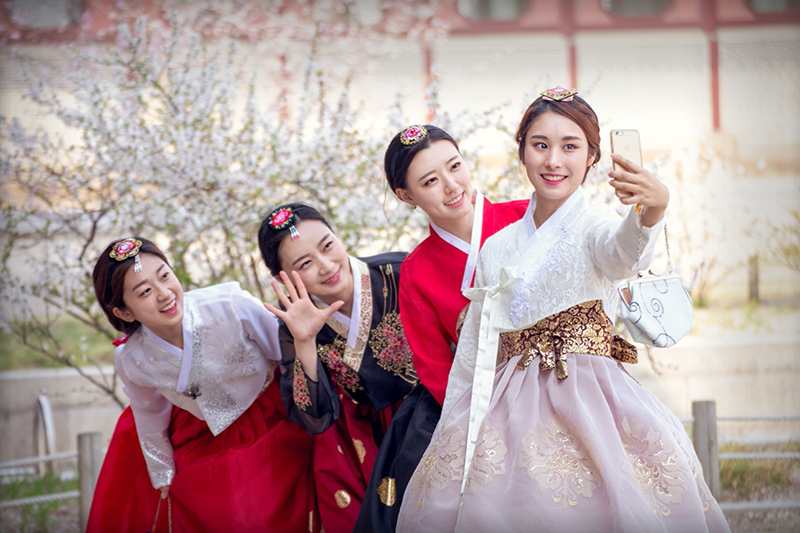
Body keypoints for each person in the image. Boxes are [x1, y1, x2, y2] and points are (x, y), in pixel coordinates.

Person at [397, 87, 731, 532]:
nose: (553, 160)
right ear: (522, 152)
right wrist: (453, 434)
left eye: (570, 147)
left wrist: (652, 209)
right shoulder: (496, 248)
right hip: (509, 415)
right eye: (540, 145)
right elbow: (474, 351)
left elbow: (623, 252)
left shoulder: (595, 228)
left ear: (592, 156)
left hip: (590, 404)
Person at [353, 125, 528, 531]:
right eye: (430, 181)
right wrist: (487, 420)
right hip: (483, 406)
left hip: (559, 377)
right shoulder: (416, 271)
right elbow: (437, 369)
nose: (452, 186)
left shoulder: (527, 217)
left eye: (455, 166)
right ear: (406, 196)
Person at [86, 237, 317, 533]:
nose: (164, 294)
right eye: (145, 291)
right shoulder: (132, 357)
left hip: (271, 417)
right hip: (202, 435)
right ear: (124, 312)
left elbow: (289, 358)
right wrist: (162, 472)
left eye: (165, 276)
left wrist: (309, 413)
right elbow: (149, 413)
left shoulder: (230, 304)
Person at [257, 203, 416, 533]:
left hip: (435, 406)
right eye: (305, 264)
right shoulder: (293, 327)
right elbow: (315, 419)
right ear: (283, 278)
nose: (327, 266)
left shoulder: (399, 271)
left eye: (327, 245)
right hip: (375, 434)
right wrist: (304, 342)